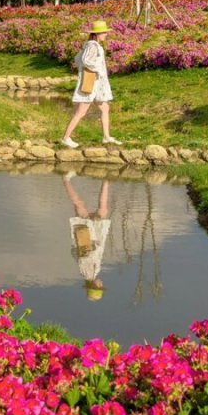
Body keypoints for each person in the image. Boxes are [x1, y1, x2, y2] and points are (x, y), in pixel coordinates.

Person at [60, 19, 120, 147]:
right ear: (97, 34)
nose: (106, 34)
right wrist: (98, 69)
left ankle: (106, 137)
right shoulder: (93, 45)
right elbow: (85, 60)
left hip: (97, 84)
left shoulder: (91, 45)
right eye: (104, 32)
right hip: (91, 83)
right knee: (81, 112)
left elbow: (77, 59)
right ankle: (65, 138)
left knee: (105, 108)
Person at [64, 173, 111, 300]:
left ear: (93, 285)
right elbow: (76, 254)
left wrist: (95, 245)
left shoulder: (88, 273)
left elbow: (85, 255)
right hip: (93, 233)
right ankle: (106, 179)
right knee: (101, 209)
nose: (101, 284)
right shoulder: (92, 273)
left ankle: (66, 180)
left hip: (89, 234)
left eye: (99, 287)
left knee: (80, 205)